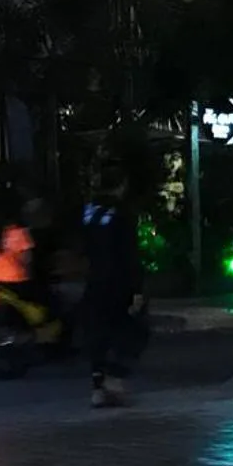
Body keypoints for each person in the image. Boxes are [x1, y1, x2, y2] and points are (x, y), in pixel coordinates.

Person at [80, 164, 146, 408]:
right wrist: (137, 288)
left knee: (98, 332)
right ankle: (114, 378)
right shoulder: (122, 213)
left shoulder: (89, 212)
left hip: (95, 279)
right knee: (133, 330)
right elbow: (129, 253)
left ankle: (98, 386)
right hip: (118, 282)